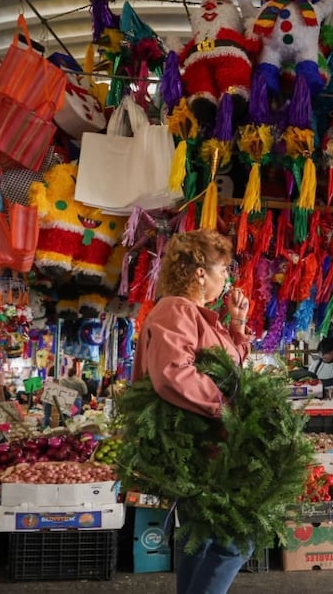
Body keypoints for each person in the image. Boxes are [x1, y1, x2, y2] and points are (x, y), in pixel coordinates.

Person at [131, 229, 252, 594]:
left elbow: (228, 368)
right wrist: (227, 408)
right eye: (223, 269)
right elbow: (172, 374)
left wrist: (237, 324)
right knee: (235, 539)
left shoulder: (196, 316)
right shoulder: (175, 310)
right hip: (203, 449)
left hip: (207, 448)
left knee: (200, 539)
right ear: (200, 272)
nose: (227, 277)